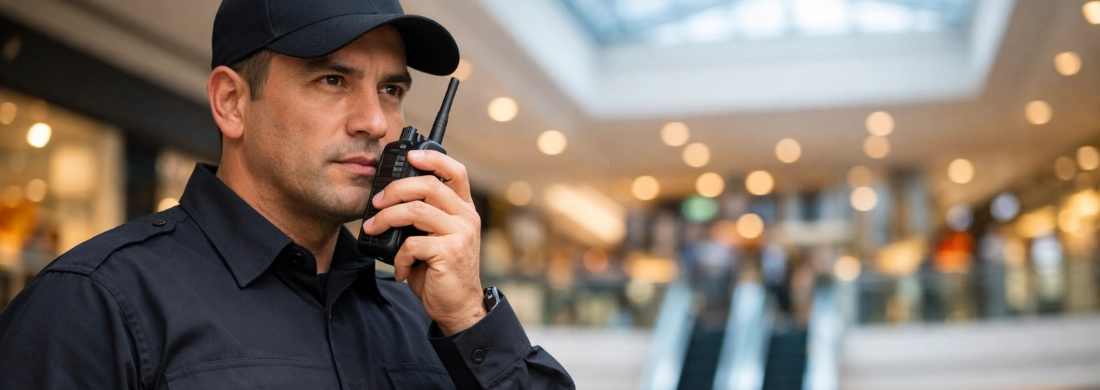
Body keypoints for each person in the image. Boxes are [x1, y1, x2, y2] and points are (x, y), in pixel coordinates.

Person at [0, 0, 574, 388]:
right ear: (231, 103)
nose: (376, 121)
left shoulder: (421, 314)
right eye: (332, 80)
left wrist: (472, 320)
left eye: (392, 88)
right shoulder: (92, 307)